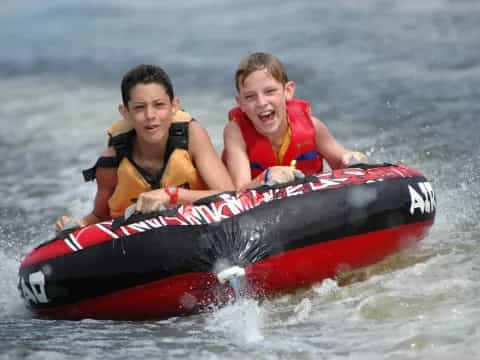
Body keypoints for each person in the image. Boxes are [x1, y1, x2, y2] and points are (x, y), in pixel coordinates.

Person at [56, 64, 234, 232]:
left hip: (199, 228)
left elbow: (230, 197)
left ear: (174, 106)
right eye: (139, 108)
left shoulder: (192, 136)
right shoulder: (111, 160)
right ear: (125, 112)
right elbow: (100, 216)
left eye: (159, 105)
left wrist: (172, 195)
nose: (150, 115)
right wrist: (79, 223)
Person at [223, 52, 368, 190]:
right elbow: (239, 190)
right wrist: (265, 178)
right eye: (250, 97)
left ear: (288, 91)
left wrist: (351, 159)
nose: (261, 102)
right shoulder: (235, 133)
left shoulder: (313, 127)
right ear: (240, 103)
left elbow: (341, 162)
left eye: (270, 91)